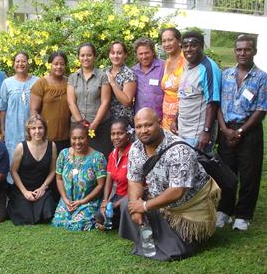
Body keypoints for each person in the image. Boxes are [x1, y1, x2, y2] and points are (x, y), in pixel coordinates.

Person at [120, 108, 219, 261]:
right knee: (128, 204)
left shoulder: (180, 150)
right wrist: (136, 208)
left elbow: (177, 191)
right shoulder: (136, 148)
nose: (143, 130)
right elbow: (134, 180)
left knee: (176, 251)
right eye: (139, 126)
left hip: (187, 208)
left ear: (159, 123)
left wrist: (145, 206)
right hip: (159, 200)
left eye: (148, 125)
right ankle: (157, 235)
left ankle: (166, 238)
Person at [216, 35, 266, 231]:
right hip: (226, 129)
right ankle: (225, 211)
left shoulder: (262, 77)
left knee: (249, 175)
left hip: (249, 131)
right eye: (239, 50)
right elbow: (218, 104)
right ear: (234, 51)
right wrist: (225, 130)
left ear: (254, 51)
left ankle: (243, 215)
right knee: (226, 173)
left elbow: (261, 109)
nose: (242, 53)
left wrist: (239, 132)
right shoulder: (226, 74)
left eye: (246, 49)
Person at [51, 124, 107, 231]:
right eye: (74, 138)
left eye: (81, 138)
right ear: (70, 138)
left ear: (88, 138)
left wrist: (82, 201)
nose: (77, 142)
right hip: (67, 201)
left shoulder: (98, 158)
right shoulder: (64, 154)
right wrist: (65, 199)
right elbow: (59, 179)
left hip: (88, 201)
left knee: (78, 224)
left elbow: (100, 185)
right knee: (59, 221)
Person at [7, 115, 58, 225]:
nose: (37, 131)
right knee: (25, 218)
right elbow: (13, 171)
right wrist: (24, 191)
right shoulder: (21, 147)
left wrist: (43, 187)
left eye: (40, 128)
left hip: (41, 187)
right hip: (23, 187)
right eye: (33, 128)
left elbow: (53, 170)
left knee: (47, 214)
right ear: (28, 131)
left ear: (45, 129)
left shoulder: (52, 146)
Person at [178, 31, 221, 151]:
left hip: (197, 136)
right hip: (183, 132)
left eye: (193, 45)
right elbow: (185, 95)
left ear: (201, 46)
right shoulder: (188, 67)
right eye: (185, 46)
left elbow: (212, 103)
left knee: (197, 169)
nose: (188, 49)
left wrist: (206, 131)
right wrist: (176, 119)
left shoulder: (208, 68)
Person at [67, 42, 112, 157]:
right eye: (82, 55)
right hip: (77, 126)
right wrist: (80, 123)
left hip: (99, 125)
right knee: (78, 158)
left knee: (99, 158)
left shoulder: (102, 76)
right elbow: (71, 102)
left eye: (89, 55)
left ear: (94, 56)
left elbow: (105, 101)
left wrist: (95, 123)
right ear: (78, 57)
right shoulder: (73, 77)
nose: (85, 58)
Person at [0, 52, 39, 171]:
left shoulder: (37, 81)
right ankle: (13, 184)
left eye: (23, 61)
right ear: (13, 64)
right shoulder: (7, 83)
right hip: (12, 128)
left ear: (28, 63)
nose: (20, 64)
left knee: (32, 152)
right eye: (17, 61)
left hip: (32, 127)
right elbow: (3, 108)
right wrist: (3, 129)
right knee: (13, 154)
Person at [96, 118, 132, 230]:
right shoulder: (112, 154)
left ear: (128, 134)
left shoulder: (134, 153)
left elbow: (139, 186)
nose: (116, 137)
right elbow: (109, 180)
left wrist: (116, 205)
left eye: (120, 133)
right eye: (113, 134)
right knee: (99, 217)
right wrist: (105, 201)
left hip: (132, 196)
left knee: (108, 220)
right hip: (118, 196)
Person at [30, 51, 71, 153]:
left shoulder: (70, 82)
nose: (59, 67)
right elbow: (34, 110)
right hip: (46, 137)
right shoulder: (41, 83)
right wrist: (37, 131)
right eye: (56, 64)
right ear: (50, 65)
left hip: (67, 136)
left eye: (62, 64)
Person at [132, 37, 165, 118]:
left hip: (160, 118)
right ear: (136, 55)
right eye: (140, 54)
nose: (144, 56)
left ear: (153, 52)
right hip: (140, 118)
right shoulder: (133, 71)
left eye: (147, 53)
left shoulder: (164, 66)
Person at [160, 27, 185, 133]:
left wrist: (177, 118)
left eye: (170, 40)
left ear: (179, 41)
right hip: (166, 118)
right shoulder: (166, 62)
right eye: (164, 41)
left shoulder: (186, 61)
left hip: (180, 118)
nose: (167, 44)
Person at [105, 41, 137, 122]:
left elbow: (127, 102)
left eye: (119, 53)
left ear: (125, 55)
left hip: (122, 120)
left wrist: (113, 84)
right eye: (113, 53)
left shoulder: (129, 74)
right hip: (106, 119)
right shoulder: (105, 71)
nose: (115, 56)